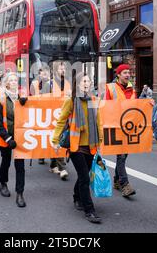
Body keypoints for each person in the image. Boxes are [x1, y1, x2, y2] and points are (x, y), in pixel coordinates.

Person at [52, 72, 103, 224]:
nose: (87, 84)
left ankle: (76, 197)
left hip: (91, 145)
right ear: (78, 84)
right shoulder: (71, 101)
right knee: (85, 178)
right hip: (76, 145)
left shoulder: (94, 99)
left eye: (89, 81)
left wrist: (100, 140)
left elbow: (98, 121)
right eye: (84, 81)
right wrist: (55, 140)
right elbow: (61, 121)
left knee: (84, 175)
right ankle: (90, 210)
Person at [0, 72, 28, 208]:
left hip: (19, 137)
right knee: (6, 161)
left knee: (20, 166)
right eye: (11, 80)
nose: (14, 82)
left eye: (15, 80)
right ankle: (3, 183)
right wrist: (8, 138)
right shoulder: (0, 99)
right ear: (6, 83)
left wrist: (25, 104)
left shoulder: (21, 98)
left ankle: (20, 193)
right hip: (5, 137)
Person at [105, 64, 136, 197]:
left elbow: (135, 106)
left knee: (124, 156)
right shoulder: (111, 88)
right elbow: (106, 107)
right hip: (116, 127)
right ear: (118, 75)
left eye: (129, 72)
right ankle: (125, 184)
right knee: (121, 156)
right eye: (125, 72)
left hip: (128, 128)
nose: (128, 75)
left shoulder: (132, 89)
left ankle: (117, 180)